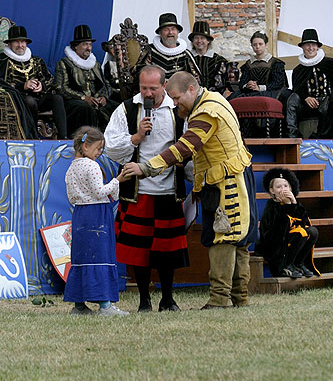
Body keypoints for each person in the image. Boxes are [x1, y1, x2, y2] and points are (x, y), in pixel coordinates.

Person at [122, 71, 258, 309]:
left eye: (177, 98)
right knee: (238, 240)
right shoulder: (213, 99)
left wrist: (147, 167)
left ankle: (219, 300)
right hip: (230, 176)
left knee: (223, 237)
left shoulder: (207, 111)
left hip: (226, 181)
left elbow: (184, 148)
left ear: (192, 90)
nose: (174, 103)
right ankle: (239, 298)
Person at [104, 65, 189, 312]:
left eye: (153, 88)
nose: (148, 93)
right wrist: (136, 137)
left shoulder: (178, 110)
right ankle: (144, 299)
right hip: (137, 192)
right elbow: (111, 147)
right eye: (143, 88)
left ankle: (168, 298)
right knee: (138, 251)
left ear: (164, 86)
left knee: (167, 250)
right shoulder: (127, 109)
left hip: (168, 190)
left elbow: (188, 146)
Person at [63, 126, 130, 316]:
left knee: (82, 256)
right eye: (98, 149)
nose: (100, 153)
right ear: (85, 146)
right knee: (100, 255)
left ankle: (79, 305)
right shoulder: (91, 166)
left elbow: (70, 197)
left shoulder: (71, 167)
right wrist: (118, 180)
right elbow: (100, 191)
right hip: (97, 215)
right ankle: (105, 305)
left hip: (80, 216)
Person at [0, 25, 67, 138]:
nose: (20, 45)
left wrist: (42, 86)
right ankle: (32, 136)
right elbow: (2, 83)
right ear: (9, 44)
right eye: (16, 42)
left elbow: (50, 79)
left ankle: (63, 137)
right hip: (17, 101)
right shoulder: (3, 61)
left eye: (23, 42)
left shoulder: (36, 60)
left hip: (39, 98)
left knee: (57, 99)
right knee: (30, 101)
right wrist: (23, 86)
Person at [255, 168, 319, 279]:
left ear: (291, 188)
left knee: (312, 231)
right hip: (274, 245)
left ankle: (298, 263)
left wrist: (293, 203)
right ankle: (286, 266)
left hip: (290, 240)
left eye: (286, 186)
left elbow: (304, 222)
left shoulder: (294, 203)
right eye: (279, 187)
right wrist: (286, 206)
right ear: (272, 191)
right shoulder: (271, 206)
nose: (283, 189)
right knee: (300, 232)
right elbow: (278, 228)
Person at [55, 25, 115, 137]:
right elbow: (61, 88)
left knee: (116, 107)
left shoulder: (95, 64)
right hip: (74, 102)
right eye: (85, 44)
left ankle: (111, 142)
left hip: (94, 100)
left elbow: (105, 84)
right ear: (75, 47)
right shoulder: (64, 64)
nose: (88, 48)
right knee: (85, 108)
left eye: (90, 44)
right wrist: (83, 98)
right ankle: (88, 140)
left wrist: (103, 97)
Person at [131, 13, 201, 91]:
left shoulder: (186, 55)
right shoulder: (150, 51)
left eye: (173, 29)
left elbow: (195, 80)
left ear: (177, 32)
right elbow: (139, 74)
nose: (170, 32)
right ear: (160, 33)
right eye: (166, 29)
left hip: (180, 96)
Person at [286, 28, 333, 138]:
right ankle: (292, 135)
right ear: (302, 47)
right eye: (307, 45)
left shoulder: (329, 64)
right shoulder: (298, 70)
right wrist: (305, 97)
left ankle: (324, 137)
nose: (311, 48)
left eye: (313, 45)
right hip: (306, 103)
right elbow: (296, 88)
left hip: (327, 101)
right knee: (292, 99)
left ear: (317, 46)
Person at [228, 31, 290, 101]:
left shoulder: (276, 63)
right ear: (251, 46)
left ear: (266, 45)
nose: (257, 47)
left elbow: (278, 83)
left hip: (271, 92)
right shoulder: (248, 65)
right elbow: (242, 83)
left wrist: (259, 88)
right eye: (254, 45)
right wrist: (248, 85)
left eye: (260, 44)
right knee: (232, 98)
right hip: (251, 92)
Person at [188, 20, 228, 93]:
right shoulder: (186, 59)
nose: (199, 41)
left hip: (213, 98)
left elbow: (220, 85)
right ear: (193, 41)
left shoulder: (218, 61)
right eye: (196, 38)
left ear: (208, 41)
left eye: (202, 38)